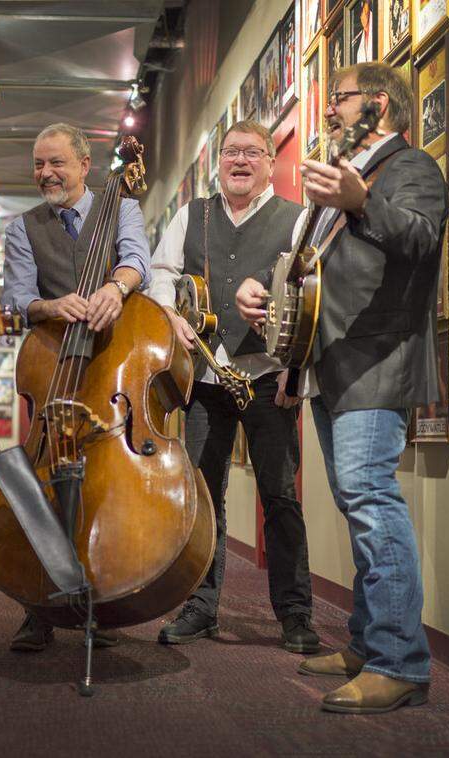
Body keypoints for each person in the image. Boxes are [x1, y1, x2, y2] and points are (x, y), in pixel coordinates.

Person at [240, 61, 446, 714]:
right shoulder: (337, 190)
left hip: (377, 362)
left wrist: (362, 202)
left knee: (371, 502)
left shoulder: (410, 168)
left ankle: (399, 662)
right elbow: (311, 286)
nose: (330, 110)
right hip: (330, 370)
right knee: (360, 507)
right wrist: (275, 325)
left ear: (379, 104)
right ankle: (366, 643)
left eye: (340, 99)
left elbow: (421, 238)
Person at [146, 120, 317, 653]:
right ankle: (201, 608)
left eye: (251, 152)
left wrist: (295, 369)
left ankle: (295, 614)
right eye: (230, 153)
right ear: (218, 161)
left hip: (268, 378)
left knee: (281, 496)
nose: (239, 161)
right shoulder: (190, 216)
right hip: (204, 377)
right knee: (203, 496)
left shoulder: (297, 219)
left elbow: (311, 293)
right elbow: (159, 273)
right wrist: (169, 312)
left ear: (270, 161)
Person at [0, 122, 150, 651]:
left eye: (56, 163)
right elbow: (17, 301)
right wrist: (49, 306)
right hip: (52, 366)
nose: (46, 173)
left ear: (85, 165)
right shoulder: (22, 228)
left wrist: (116, 285)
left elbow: (136, 261)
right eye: (39, 164)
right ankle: (37, 608)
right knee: (42, 485)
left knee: (101, 485)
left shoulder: (122, 208)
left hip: (110, 362)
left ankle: (98, 598)